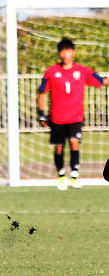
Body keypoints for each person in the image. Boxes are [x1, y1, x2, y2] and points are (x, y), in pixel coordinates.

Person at [37, 37, 106, 190]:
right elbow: (42, 92)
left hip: (75, 117)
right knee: (59, 147)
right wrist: (41, 113)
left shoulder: (82, 71)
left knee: (75, 143)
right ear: (59, 53)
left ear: (73, 52)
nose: (65, 54)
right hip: (57, 118)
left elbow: (102, 80)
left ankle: (74, 177)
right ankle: (61, 176)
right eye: (63, 51)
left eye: (68, 51)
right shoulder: (51, 72)